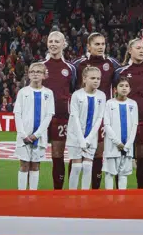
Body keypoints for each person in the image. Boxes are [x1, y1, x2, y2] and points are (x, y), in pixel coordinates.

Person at [73, 32, 121, 190]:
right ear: (88, 46)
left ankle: (94, 191)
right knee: (77, 156)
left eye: (103, 44)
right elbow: (71, 87)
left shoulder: (112, 63)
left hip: (103, 117)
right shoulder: (78, 64)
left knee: (99, 154)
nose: (101, 47)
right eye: (97, 44)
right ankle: (72, 191)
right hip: (81, 116)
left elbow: (123, 83)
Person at [116, 37, 143, 190]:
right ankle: (119, 192)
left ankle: (142, 193)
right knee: (120, 158)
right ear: (129, 50)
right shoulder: (121, 71)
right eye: (138, 48)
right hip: (123, 121)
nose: (141, 51)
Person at [41, 30, 75, 191]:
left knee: (59, 153)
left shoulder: (70, 68)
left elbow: (74, 91)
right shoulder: (40, 67)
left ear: (64, 44)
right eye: (50, 41)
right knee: (32, 156)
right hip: (40, 118)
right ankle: (29, 191)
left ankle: (59, 191)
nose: (53, 44)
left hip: (62, 117)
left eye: (57, 41)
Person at [13, 61, 54, 190]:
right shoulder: (23, 92)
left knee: (35, 165)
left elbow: (49, 115)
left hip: (40, 137)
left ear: (44, 75)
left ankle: (33, 195)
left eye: (38, 72)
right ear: (28, 74)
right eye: (32, 72)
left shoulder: (49, 93)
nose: (35, 74)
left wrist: (37, 135)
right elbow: (17, 114)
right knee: (24, 164)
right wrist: (23, 134)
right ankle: (21, 195)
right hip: (23, 136)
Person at [65, 65, 106, 191]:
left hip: (91, 137)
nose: (96, 81)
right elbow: (75, 117)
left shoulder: (102, 95)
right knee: (76, 167)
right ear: (84, 79)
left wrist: (88, 138)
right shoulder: (77, 95)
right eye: (92, 78)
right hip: (75, 136)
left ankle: (84, 196)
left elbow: (99, 118)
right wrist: (81, 139)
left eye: (98, 78)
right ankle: (72, 196)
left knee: (88, 166)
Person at [102, 78, 140, 191]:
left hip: (127, 147)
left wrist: (128, 144)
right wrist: (117, 142)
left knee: (123, 174)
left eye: (126, 86)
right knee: (109, 173)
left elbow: (135, 125)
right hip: (112, 146)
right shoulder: (109, 103)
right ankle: (108, 199)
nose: (124, 88)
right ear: (115, 89)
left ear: (130, 89)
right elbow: (106, 124)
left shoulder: (133, 104)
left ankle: (121, 199)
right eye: (121, 85)